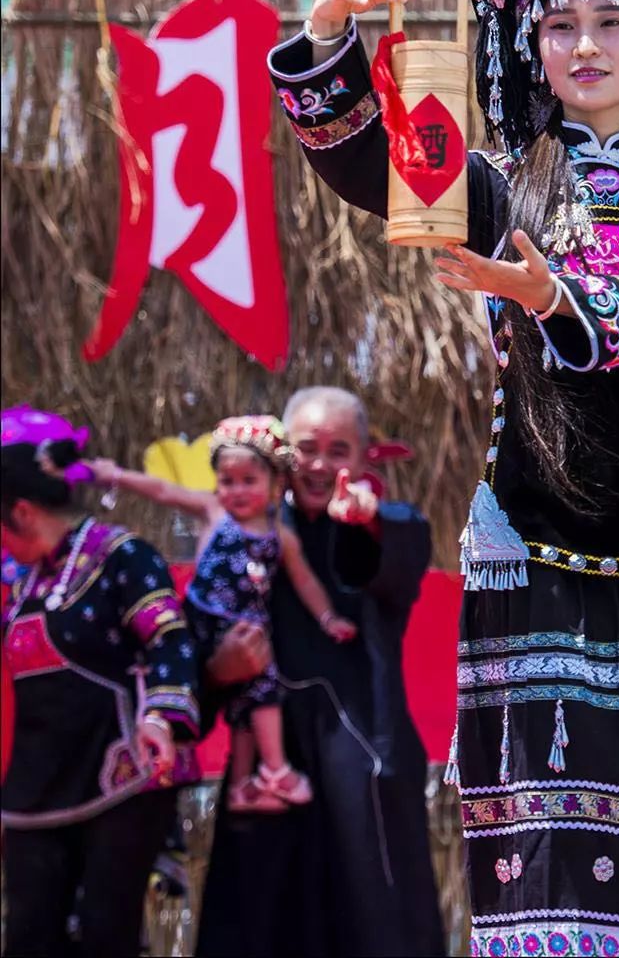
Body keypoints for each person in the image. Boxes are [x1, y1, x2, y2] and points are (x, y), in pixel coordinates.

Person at [265, 0, 619, 956]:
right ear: (531, 47)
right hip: (535, 539)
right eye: (559, 25)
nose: (584, 44)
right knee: (558, 848)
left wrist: (544, 292)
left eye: (611, 22)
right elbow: (374, 171)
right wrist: (326, 31)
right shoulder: (491, 189)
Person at [195, 387, 445, 958]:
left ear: (362, 459)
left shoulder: (382, 524)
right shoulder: (242, 539)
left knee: (376, 921)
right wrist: (219, 668)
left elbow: (398, 549)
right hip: (271, 765)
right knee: (257, 920)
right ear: (283, 454)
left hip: (363, 754)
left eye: (339, 449)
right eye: (306, 448)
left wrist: (368, 519)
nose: (319, 464)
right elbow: (195, 649)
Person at [0, 405, 199, 958]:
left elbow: (169, 640)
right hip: (35, 789)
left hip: (121, 779)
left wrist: (160, 715)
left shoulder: (122, 557)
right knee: (29, 935)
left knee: (105, 932)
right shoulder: (18, 583)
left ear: (19, 511)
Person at [89, 414, 357, 814]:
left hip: (248, 625)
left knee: (250, 705)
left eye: (249, 480)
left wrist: (328, 618)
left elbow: (305, 582)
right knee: (256, 695)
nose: (236, 491)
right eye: (227, 481)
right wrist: (117, 476)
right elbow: (162, 490)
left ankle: (241, 785)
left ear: (274, 483)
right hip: (199, 621)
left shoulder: (278, 533)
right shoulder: (214, 512)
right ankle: (276, 768)